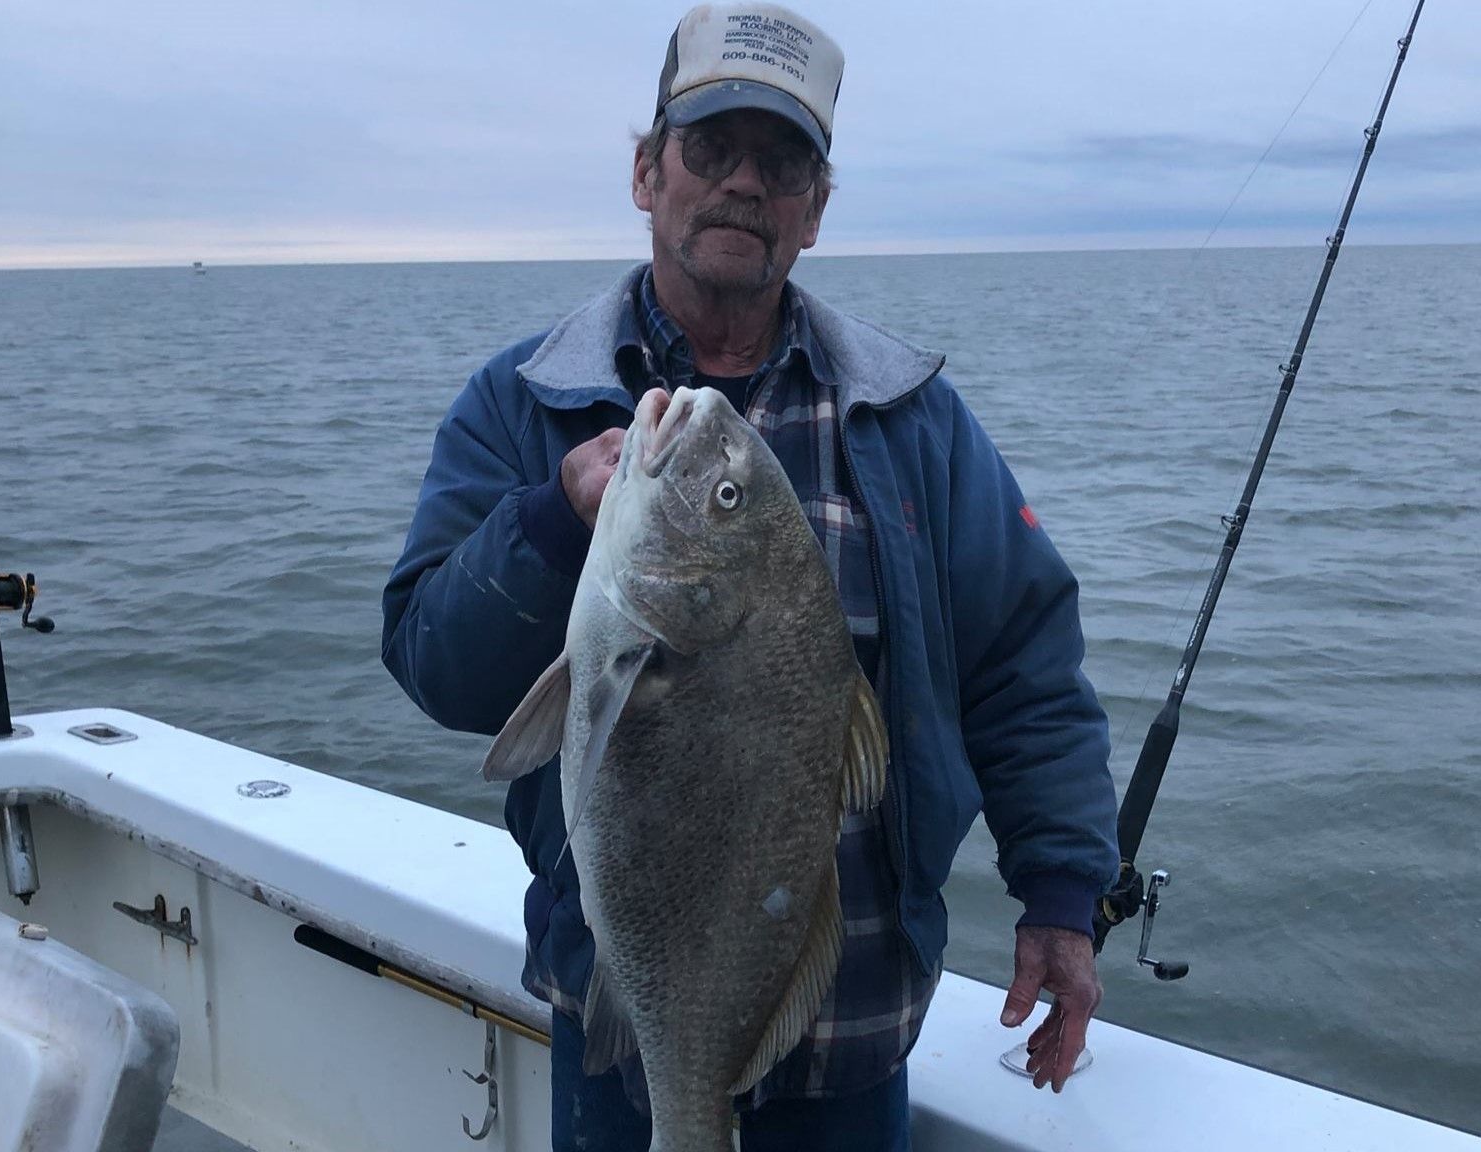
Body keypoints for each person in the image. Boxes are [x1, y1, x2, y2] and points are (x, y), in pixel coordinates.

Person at [382, 4, 1118, 1149]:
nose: (742, 185)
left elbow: (1023, 660)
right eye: (709, 150)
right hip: (623, 1018)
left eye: (782, 166)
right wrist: (552, 517)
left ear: (816, 211)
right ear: (646, 172)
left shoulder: (913, 420)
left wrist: (1062, 896)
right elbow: (435, 665)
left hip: (862, 1029)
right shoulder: (521, 405)